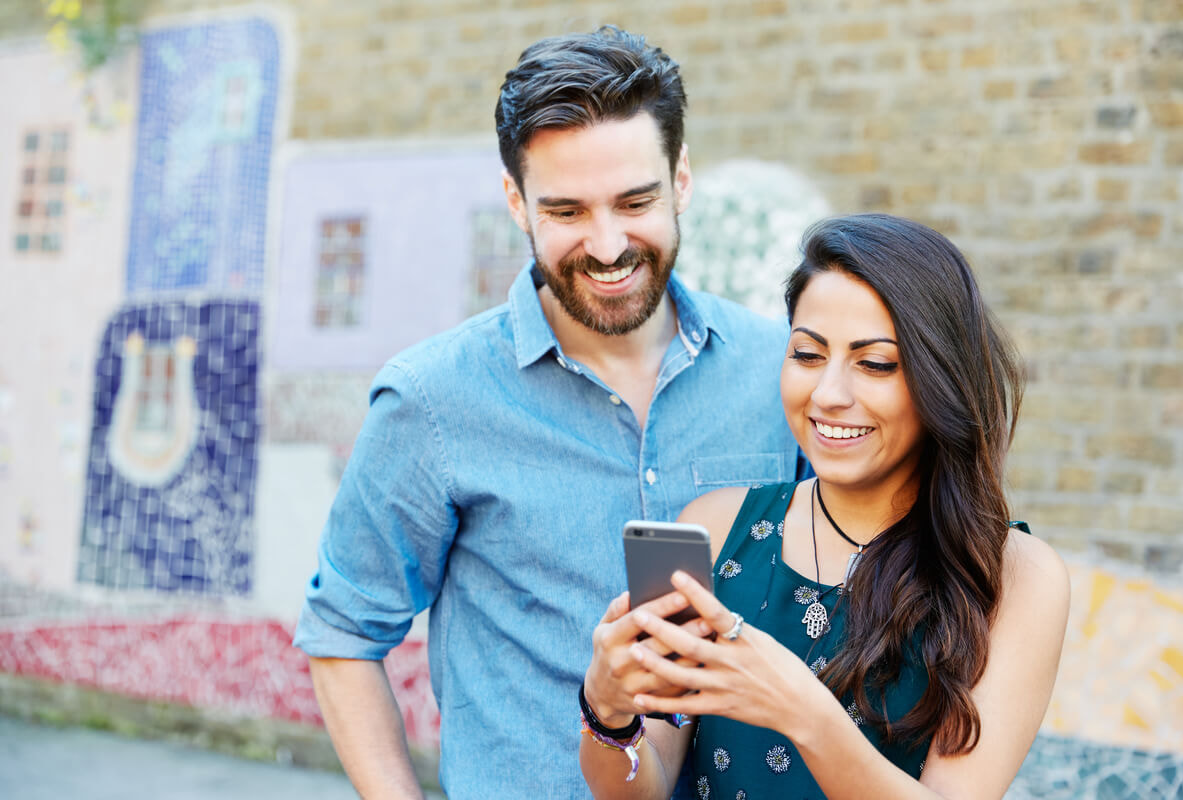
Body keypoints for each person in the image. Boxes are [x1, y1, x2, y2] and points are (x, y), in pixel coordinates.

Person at [292, 26, 806, 798]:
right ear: (516, 202)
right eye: (566, 211)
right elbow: (342, 634)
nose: (607, 245)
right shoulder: (432, 400)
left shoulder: (781, 373)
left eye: (635, 202)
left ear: (681, 181)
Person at [580, 213, 1071, 799]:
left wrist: (801, 710)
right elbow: (641, 789)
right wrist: (607, 712)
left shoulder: (1014, 575)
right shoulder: (713, 526)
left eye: (875, 363)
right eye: (808, 354)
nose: (828, 394)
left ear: (942, 378)